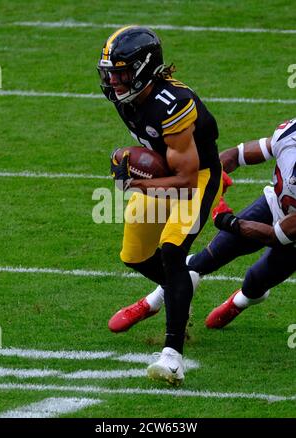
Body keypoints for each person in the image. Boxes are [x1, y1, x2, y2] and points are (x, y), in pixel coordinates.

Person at [97, 25, 223, 385]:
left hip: (195, 178)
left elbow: (185, 178)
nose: (114, 82)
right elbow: (155, 151)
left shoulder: (173, 105)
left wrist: (135, 181)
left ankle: (172, 356)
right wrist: (130, 162)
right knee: (134, 255)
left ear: (143, 69)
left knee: (171, 251)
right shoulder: (129, 98)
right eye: (110, 74)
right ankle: (181, 283)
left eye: (120, 73)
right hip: (166, 176)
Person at [109, 118, 296, 332]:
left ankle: (240, 301)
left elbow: (274, 235)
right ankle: (153, 302)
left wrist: (227, 220)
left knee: (255, 282)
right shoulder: (290, 133)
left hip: (291, 237)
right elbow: (237, 155)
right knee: (203, 260)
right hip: (274, 205)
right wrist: (215, 174)